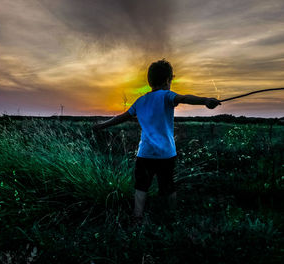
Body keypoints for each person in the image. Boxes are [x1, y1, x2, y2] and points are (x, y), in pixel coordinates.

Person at [92, 59, 221, 225]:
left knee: (141, 186)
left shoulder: (140, 101)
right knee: (168, 186)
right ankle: (172, 217)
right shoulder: (167, 95)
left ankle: (137, 217)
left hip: (144, 153)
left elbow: (121, 118)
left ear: (150, 81)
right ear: (168, 80)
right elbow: (185, 98)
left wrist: (101, 126)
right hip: (166, 154)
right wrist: (205, 101)